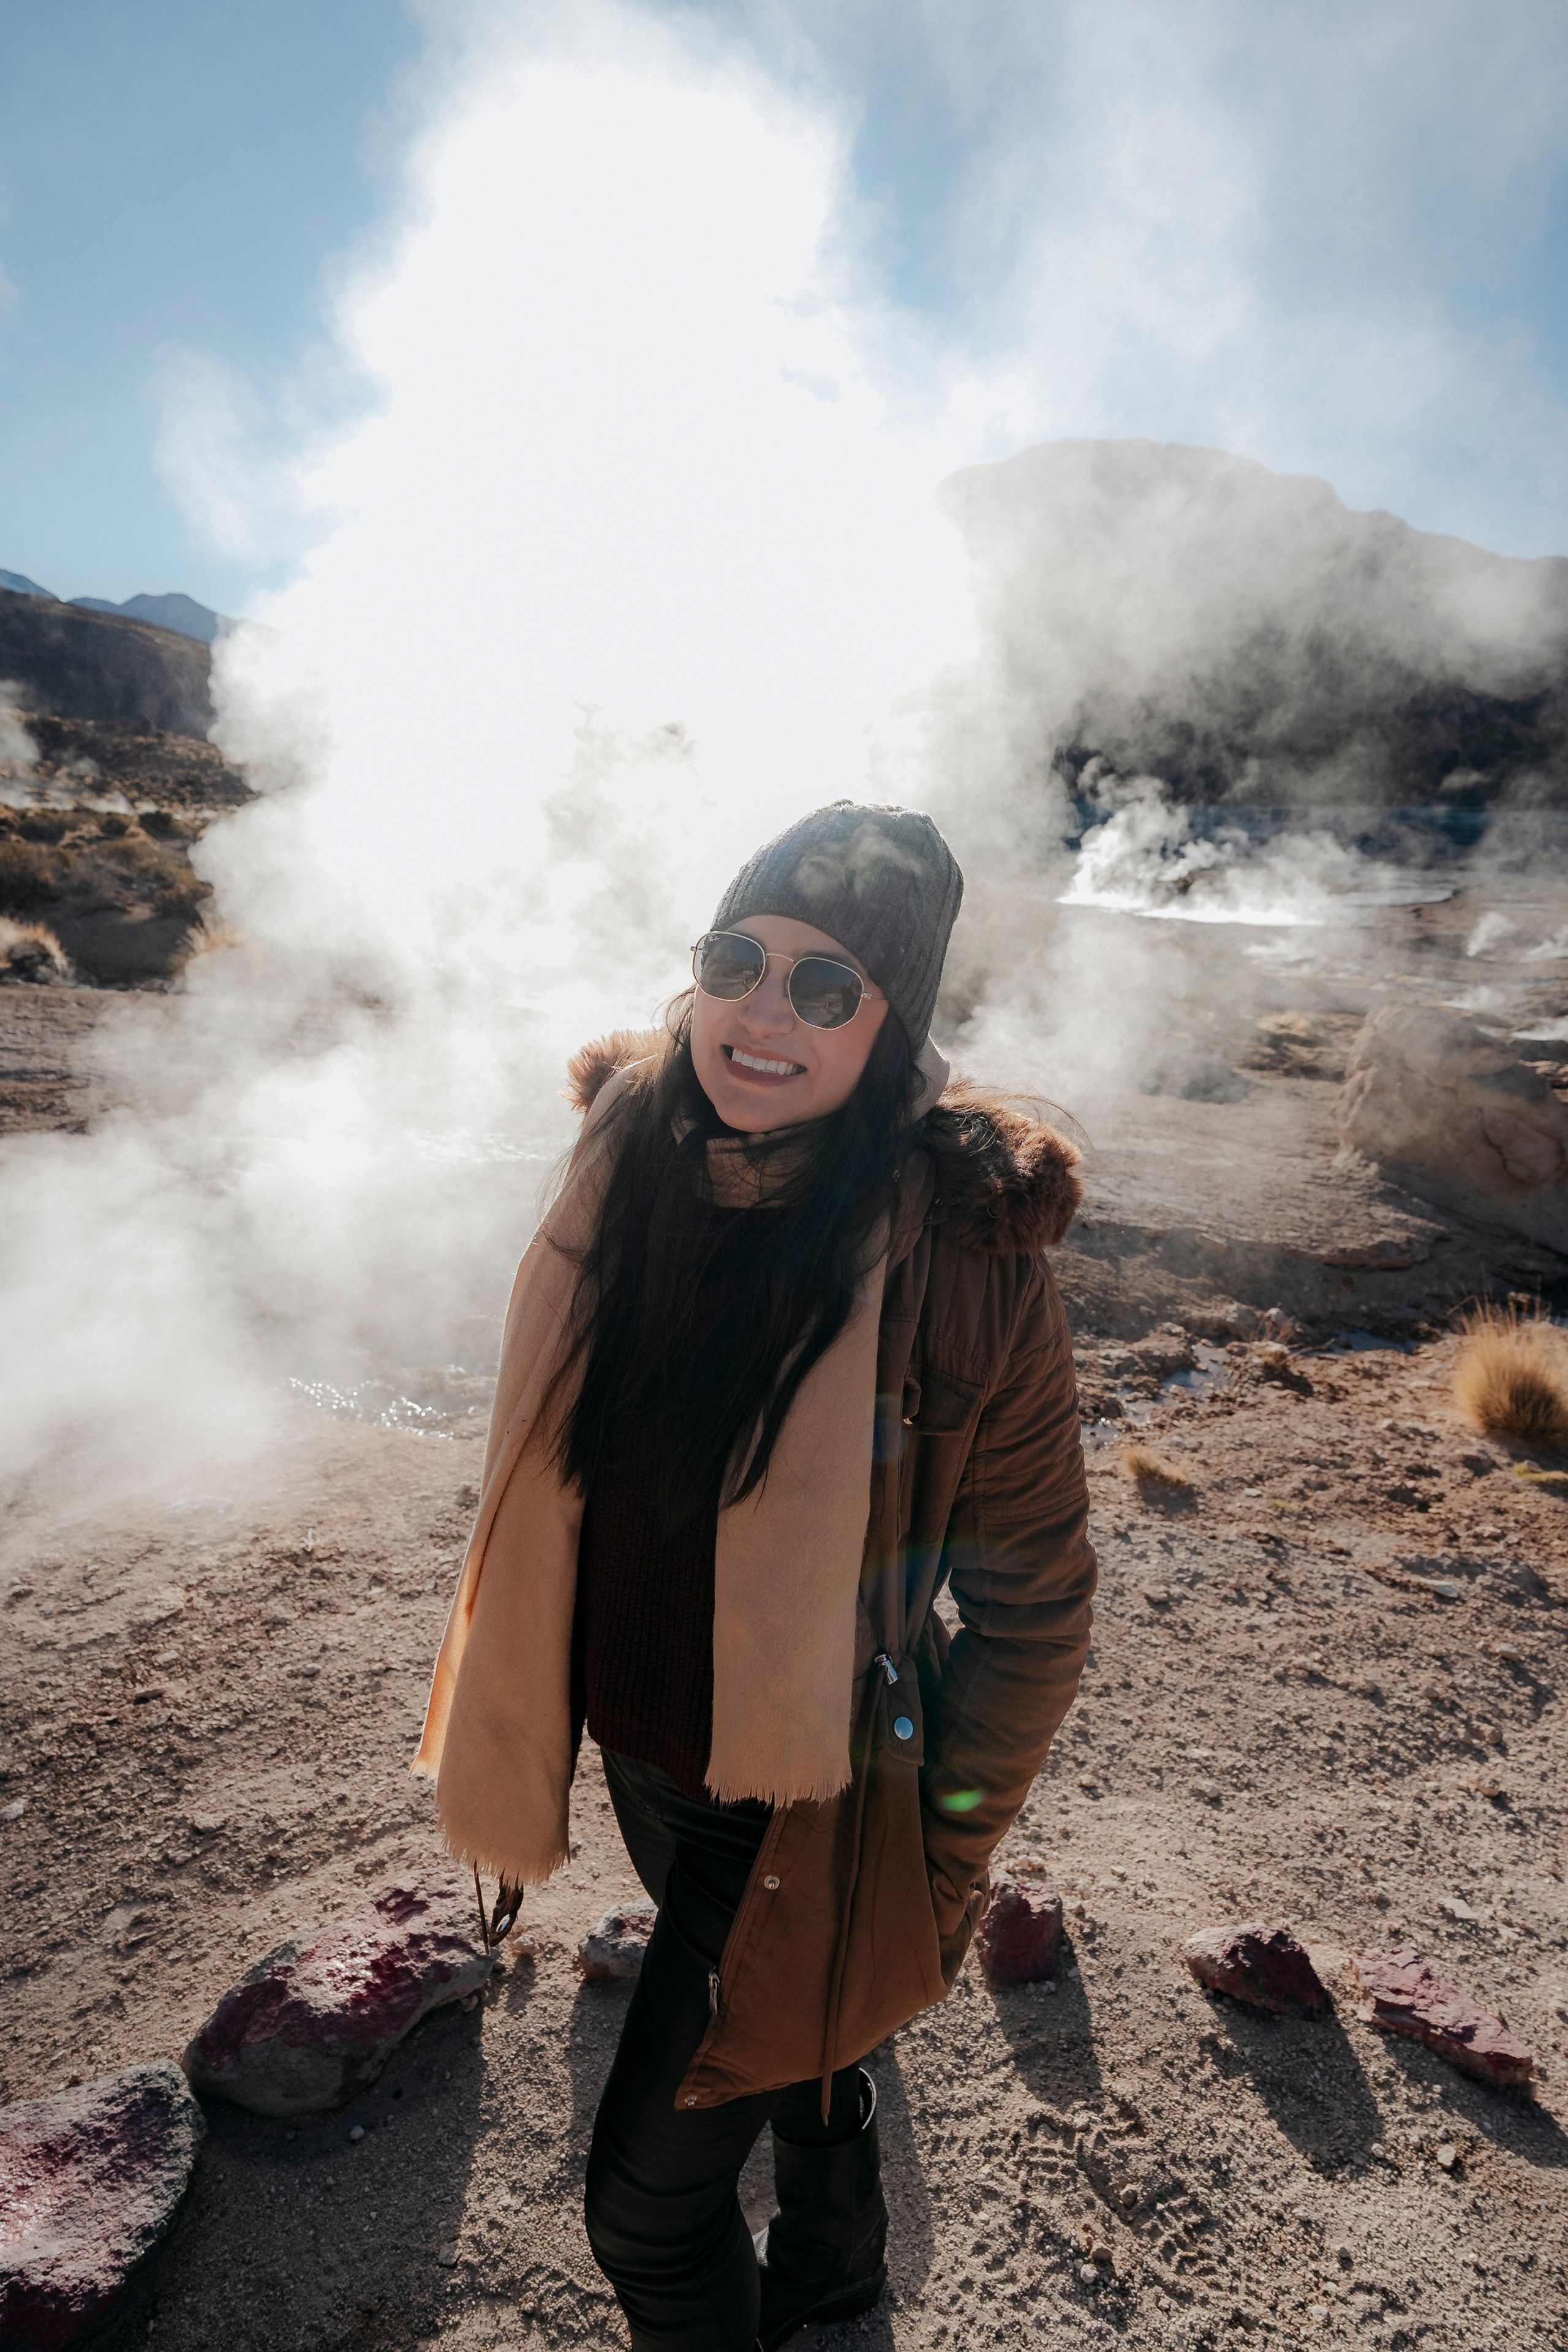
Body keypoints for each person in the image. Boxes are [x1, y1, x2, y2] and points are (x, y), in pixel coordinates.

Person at [415, 801, 1096, 2351]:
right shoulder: (626, 1166)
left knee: (643, 2218)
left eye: (826, 984)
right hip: (652, 1754)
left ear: (892, 1022)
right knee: (795, 2030)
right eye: (740, 958)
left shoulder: (968, 1259)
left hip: (813, 1797)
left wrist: (940, 1858)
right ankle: (838, 2288)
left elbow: (1033, 1604)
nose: (763, 1010)